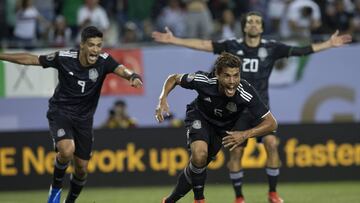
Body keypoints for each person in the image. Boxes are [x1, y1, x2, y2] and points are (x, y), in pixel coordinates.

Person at [152, 11, 352, 203]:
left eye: (258, 21)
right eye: (250, 21)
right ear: (244, 27)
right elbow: (201, 47)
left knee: (271, 144)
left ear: (263, 27)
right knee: (220, 153)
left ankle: (272, 193)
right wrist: (174, 41)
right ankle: (235, 197)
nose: (254, 24)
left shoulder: (271, 50)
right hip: (220, 113)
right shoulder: (229, 49)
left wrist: (328, 44)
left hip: (253, 107)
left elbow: (301, 51)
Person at [0, 26, 143, 203]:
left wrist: (133, 76)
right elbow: (32, 59)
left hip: (84, 120)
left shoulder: (104, 60)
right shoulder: (64, 58)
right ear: (82, 45)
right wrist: (2, 55)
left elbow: (122, 69)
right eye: (91, 45)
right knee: (67, 150)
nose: (96, 50)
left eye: (99, 45)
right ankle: (55, 191)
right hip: (61, 112)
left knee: (82, 169)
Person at [156, 52, 278, 203]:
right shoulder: (204, 80)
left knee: (198, 165)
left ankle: (169, 201)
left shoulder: (246, 91)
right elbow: (173, 78)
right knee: (199, 154)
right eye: (227, 76)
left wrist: (245, 134)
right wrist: (162, 98)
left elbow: (271, 123)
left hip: (221, 129)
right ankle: (199, 199)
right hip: (199, 116)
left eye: (236, 75)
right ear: (217, 75)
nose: (232, 81)